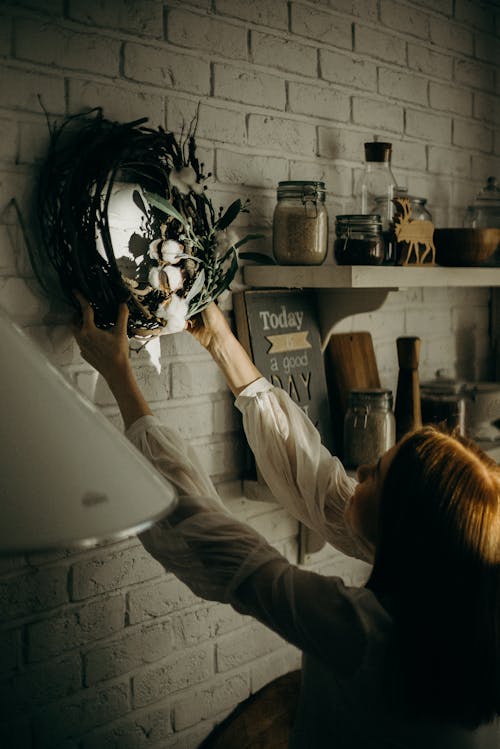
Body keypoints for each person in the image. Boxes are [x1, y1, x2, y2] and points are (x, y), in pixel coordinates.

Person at [72, 292, 500, 749]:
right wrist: (221, 341)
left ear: (405, 531)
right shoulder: (455, 593)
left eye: (378, 476)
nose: (362, 472)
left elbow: (209, 536)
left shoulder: (364, 636)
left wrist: (119, 375)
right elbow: (319, 483)